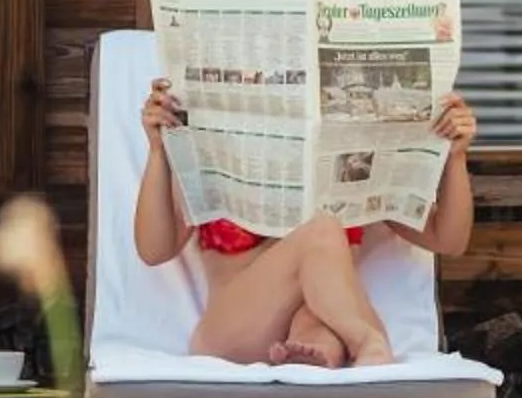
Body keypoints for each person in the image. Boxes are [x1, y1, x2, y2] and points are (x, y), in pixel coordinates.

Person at [134, 78, 478, 368]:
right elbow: (153, 250)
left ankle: (312, 348)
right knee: (324, 230)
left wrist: (455, 155)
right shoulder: (211, 150)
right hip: (236, 330)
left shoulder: (352, 157)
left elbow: (448, 240)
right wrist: (156, 150)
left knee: (317, 310)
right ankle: (364, 341)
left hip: (323, 322)